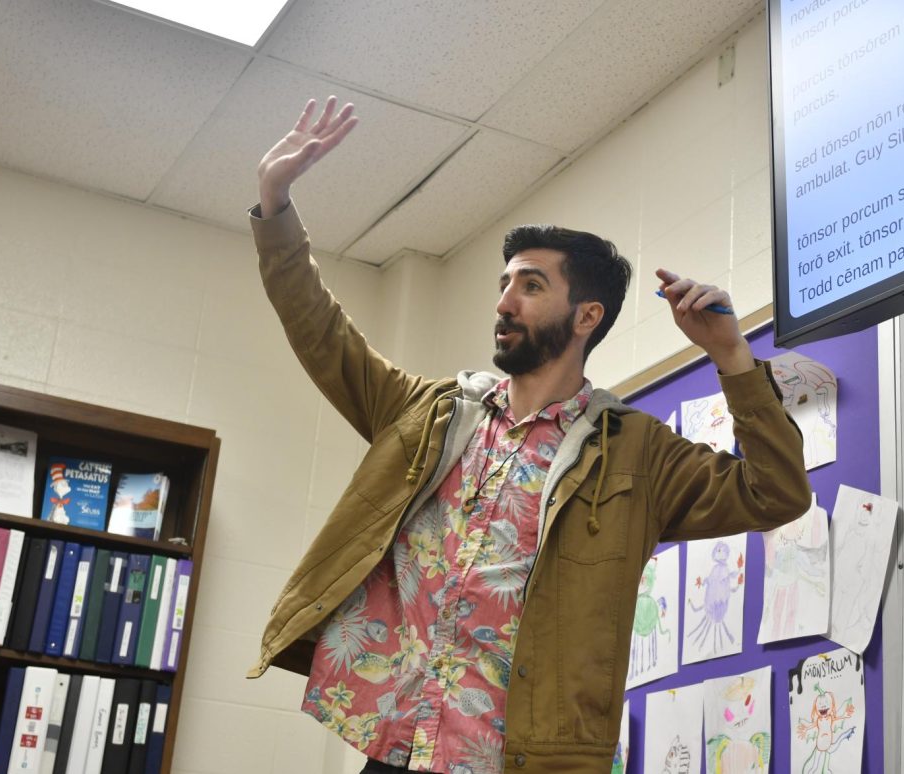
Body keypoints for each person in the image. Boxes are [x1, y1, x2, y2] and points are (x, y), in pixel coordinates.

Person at [246, 96, 811, 774]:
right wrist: (275, 206)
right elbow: (321, 334)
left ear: (586, 316)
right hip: (395, 749)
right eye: (505, 283)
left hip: (515, 758)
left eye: (531, 286)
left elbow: (776, 492)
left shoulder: (635, 451)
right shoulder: (431, 413)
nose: (504, 301)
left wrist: (733, 357)